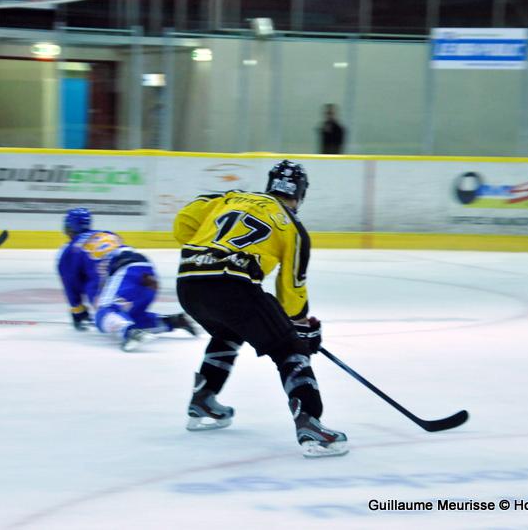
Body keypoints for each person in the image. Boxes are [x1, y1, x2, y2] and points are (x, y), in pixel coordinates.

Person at [172, 160, 348, 458]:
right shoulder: (292, 226)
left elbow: (183, 224)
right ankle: (310, 423)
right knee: (289, 348)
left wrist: (211, 251)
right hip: (233, 285)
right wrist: (302, 329)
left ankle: (203, 398)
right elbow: (291, 291)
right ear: (301, 193)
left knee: (228, 330)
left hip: (189, 282)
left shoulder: (228, 197)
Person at [57, 207, 196, 351]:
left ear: (68, 228)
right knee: (124, 316)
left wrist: (78, 311)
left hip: (124, 270)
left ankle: (130, 333)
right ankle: (172, 322)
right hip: (146, 269)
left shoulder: (71, 249)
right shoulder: (106, 234)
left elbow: (70, 282)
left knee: (104, 313)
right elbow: (99, 270)